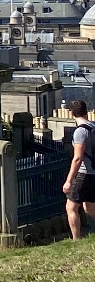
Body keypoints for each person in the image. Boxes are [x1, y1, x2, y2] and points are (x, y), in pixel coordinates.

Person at [62, 100, 95, 239]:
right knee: (90, 207)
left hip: (84, 173)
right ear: (86, 111)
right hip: (94, 173)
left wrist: (69, 181)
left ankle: (76, 240)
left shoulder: (80, 132)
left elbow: (77, 158)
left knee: (71, 207)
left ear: (71, 113)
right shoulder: (93, 127)